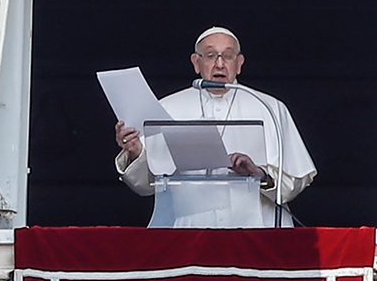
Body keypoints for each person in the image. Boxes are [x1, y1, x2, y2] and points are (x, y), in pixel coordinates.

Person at [113, 26, 317, 227]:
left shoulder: (269, 107)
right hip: (188, 230)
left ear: (239, 63)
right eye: (210, 56)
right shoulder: (166, 108)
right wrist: (135, 153)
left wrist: (260, 174)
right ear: (196, 62)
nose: (219, 64)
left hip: (257, 228)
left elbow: (294, 180)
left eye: (227, 56)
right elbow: (145, 184)